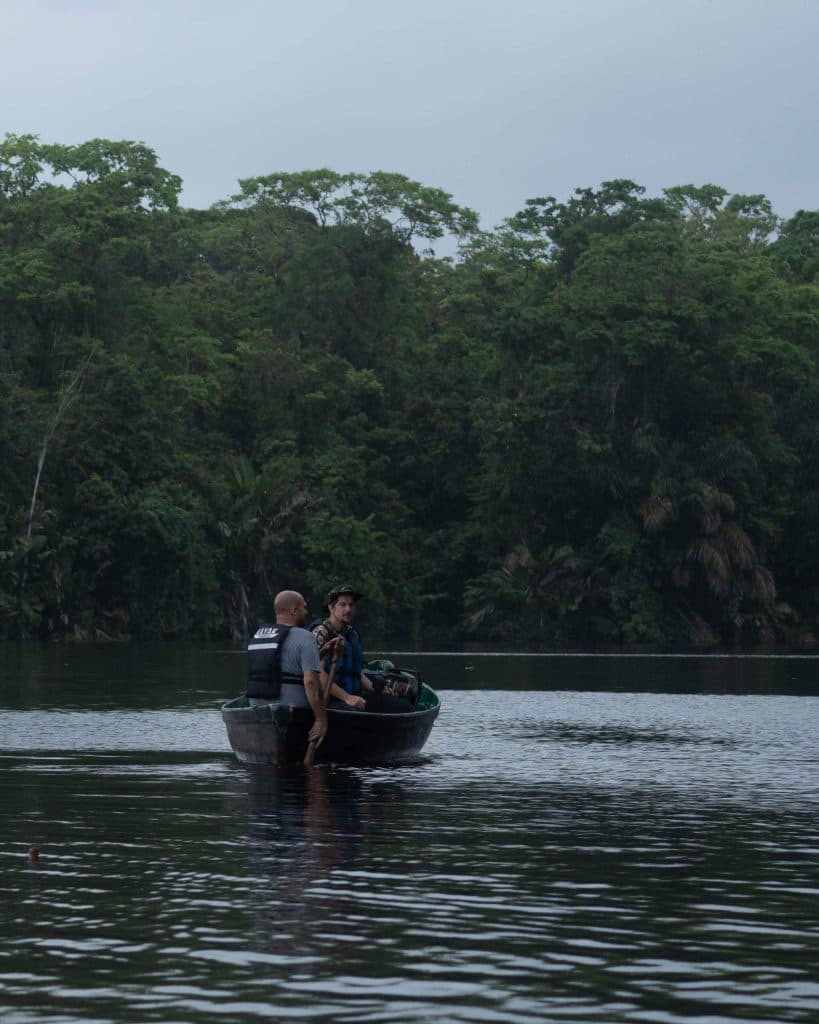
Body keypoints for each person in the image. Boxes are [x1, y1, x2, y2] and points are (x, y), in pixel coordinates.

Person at [312, 583, 414, 713]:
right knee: (353, 712)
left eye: (351, 605)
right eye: (343, 605)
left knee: (404, 707)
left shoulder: (352, 634)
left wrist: (375, 688)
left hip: (355, 696)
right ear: (331, 608)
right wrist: (347, 698)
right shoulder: (321, 633)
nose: (348, 609)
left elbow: (356, 672)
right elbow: (316, 674)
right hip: (332, 700)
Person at [246, 589, 327, 749]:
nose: (306, 612)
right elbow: (310, 681)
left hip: (258, 708)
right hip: (294, 711)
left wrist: (321, 653)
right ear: (294, 610)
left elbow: (282, 663)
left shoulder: (257, 636)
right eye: (304, 608)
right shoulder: (306, 637)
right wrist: (320, 719)